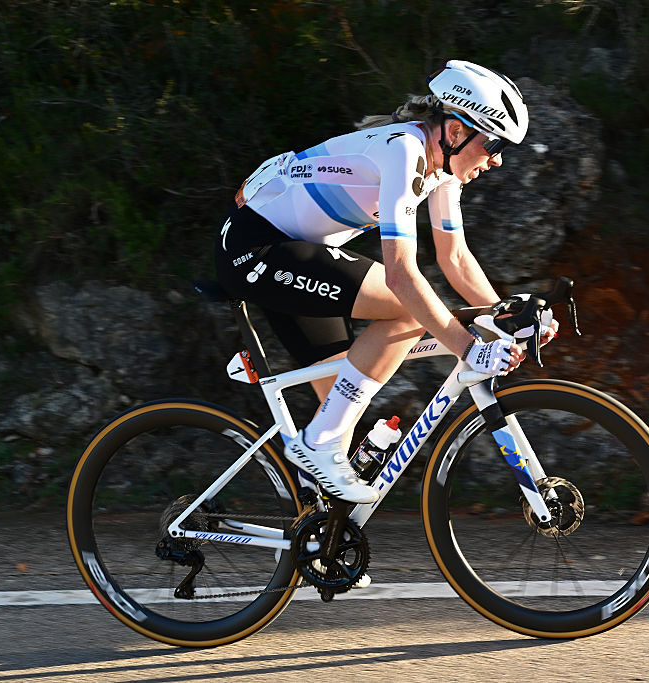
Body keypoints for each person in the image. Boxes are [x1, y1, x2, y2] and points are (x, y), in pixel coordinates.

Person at [215, 60, 549, 503]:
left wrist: (505, 316)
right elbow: (400, 275)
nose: (497, 159)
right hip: (256, 249)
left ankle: (316, 547)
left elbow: (455, 257)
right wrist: (469, 347)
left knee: (338, 418)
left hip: (298, 252)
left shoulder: (442, 169)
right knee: (405, 310)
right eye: (492, 143)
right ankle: (317, 446)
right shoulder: (404, 150)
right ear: (454, 131)